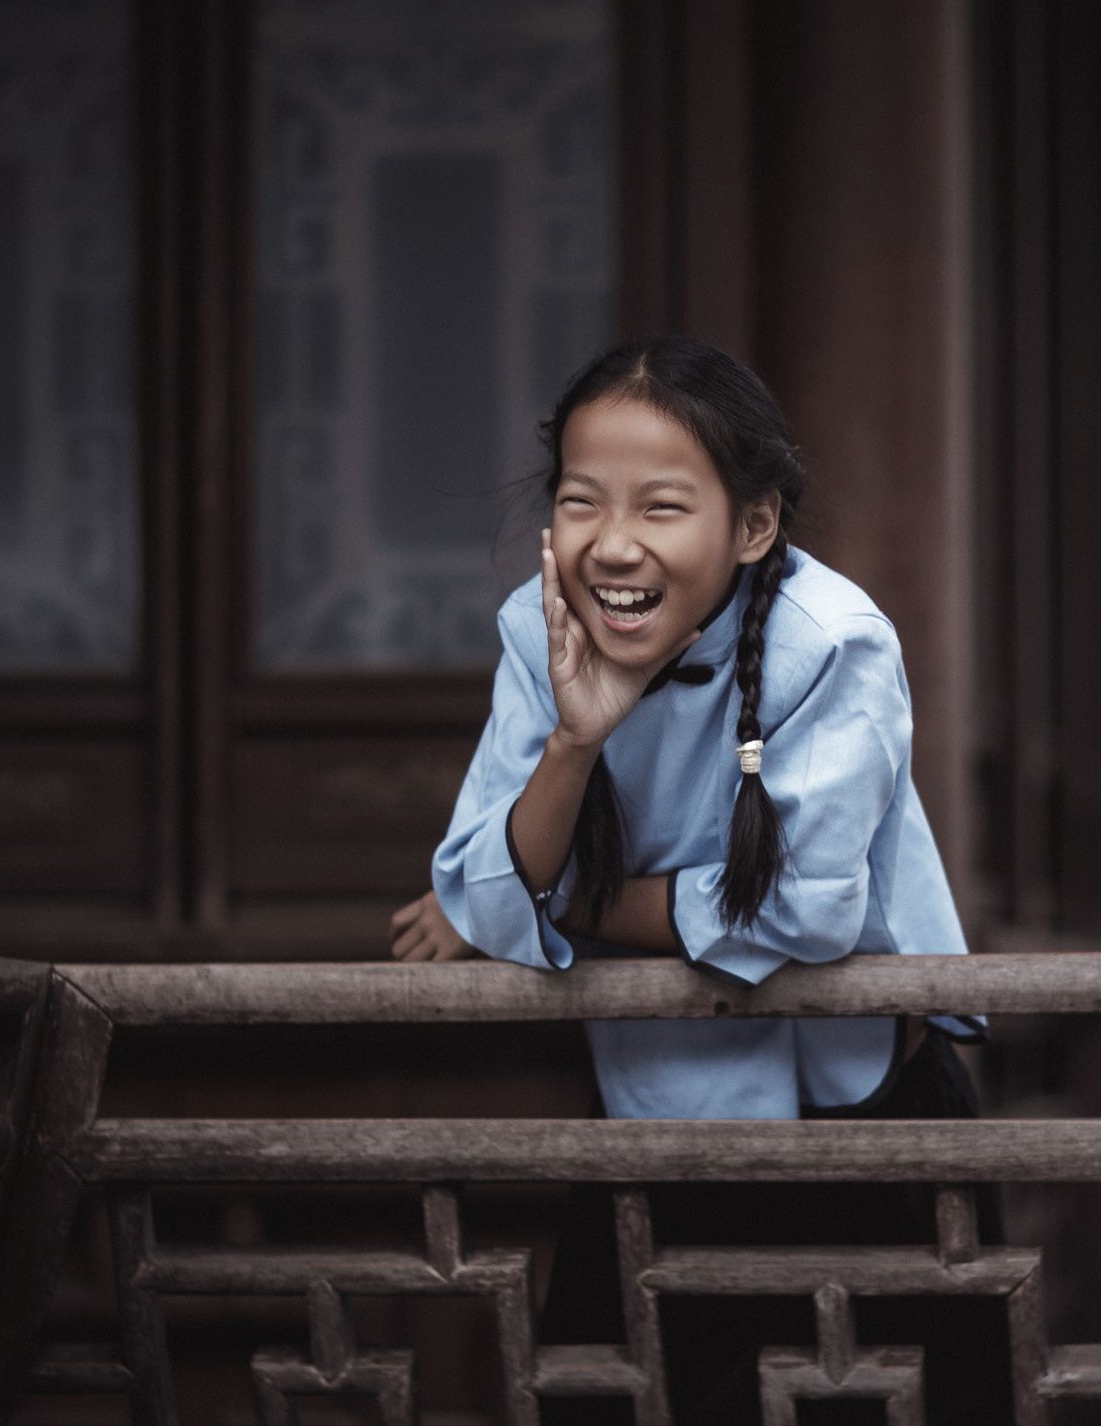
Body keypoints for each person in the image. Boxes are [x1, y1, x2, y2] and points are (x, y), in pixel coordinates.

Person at [390, 335, 1005, 1424]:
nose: (613, 545)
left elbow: (807, 907)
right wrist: (573, 746)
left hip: (858, 1111)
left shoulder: (835, 641)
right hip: (658, 1098)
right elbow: (481, 886)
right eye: (584, 502)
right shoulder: (540, 640)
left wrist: (564, 902)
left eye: (662, 506)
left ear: (754, 524)